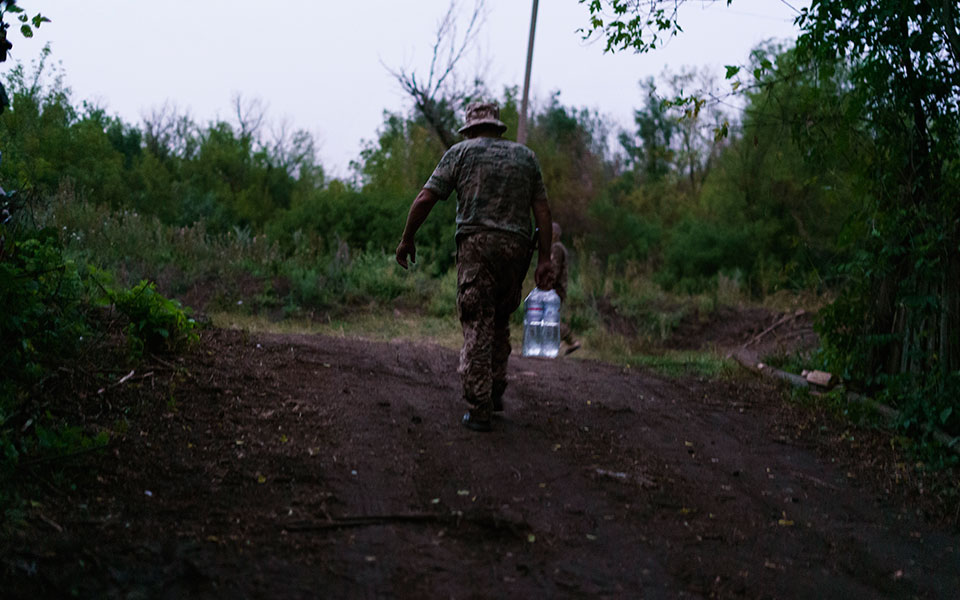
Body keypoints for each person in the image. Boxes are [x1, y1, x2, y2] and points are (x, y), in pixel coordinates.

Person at [396, 101, 554, 432]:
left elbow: (426, 198)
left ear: (469, 129)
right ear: (497, 127)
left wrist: (408, 238)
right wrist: (544, 259)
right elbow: (542, 210)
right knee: (499, 320)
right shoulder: (526, 157)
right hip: (516, 248)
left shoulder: (462, 152)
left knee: (478, 320)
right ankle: (495, 391)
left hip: (477, 247)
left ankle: (479, 406)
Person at [550, 222, 581, 356]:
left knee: (551, 319)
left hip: (556, 289)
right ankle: (556, 343)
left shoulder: (557, 248)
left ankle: (572, 341)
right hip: (559, 289)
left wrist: (547, 286)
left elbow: (554, 270)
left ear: (554, 234)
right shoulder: (559, 247)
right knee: (551, 316)